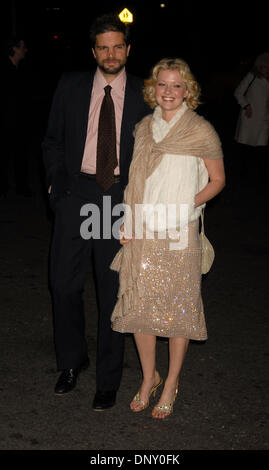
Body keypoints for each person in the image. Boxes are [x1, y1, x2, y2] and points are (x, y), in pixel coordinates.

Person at [42, 13, 150, 410]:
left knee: (113, 291)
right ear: (93, 51)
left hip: (118, 197)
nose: (110, 54)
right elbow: (52, 140)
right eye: (103, 47)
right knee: (64, 284)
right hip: (76, 193)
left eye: (117, 46)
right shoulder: (71, 86)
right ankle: (71, 361)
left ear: (128, 49)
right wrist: (56, 187)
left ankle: (109, 378)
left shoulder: (144, 92)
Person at [110, 58, 225, 419]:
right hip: (145, 228)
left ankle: (171, 381)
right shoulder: (144, 128)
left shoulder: (201, 131)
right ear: (152, 89)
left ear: (187, 90)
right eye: (163, 84)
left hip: (180, 232)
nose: (169, 91)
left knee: (178, 310)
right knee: (141, 309)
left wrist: (186, 204)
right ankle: (149, 377)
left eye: (177, 85)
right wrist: (128, 219)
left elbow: (218, 180)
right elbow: (135, 180)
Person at [1, 36, 31, 197]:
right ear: (14, 49)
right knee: (7, 155)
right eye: (22, 47)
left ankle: (21, 186)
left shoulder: (20, 70)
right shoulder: (6, 71)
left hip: (18, 122)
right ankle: (6, 186)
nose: (25, 50)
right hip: (8, 122)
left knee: (20, 155)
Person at [234, 52, 269, 185]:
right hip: (249, 118)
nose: (266, 70)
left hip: (264, 121)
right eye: (264, 67)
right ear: (259, 67)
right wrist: (246, 105)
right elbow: (238, 92)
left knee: (262, 150)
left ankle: (262, 178)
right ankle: (243, 176)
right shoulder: (252, 77)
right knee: (246, 149)